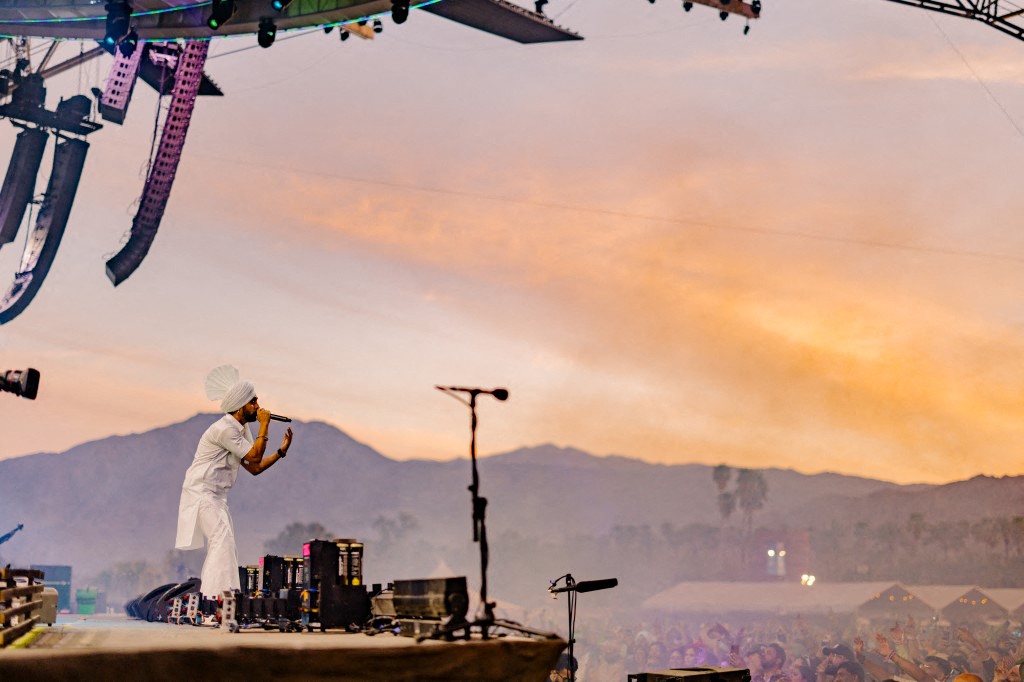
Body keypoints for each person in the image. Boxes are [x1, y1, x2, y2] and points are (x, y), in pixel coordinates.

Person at [174, 365, 293, 600]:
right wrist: (265, 425)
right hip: (202, 494)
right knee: (221, 540)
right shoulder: (224, 429)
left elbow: (254, 468)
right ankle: (213, 599)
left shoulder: (240, 430)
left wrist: (280, 452)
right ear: (240, 406)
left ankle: (223, 597)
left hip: (217, 497)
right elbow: (254, 456)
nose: (258, 407)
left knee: (226, 544)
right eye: (253, 402)